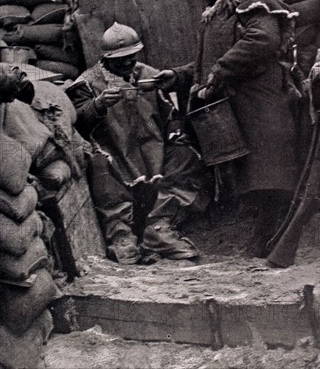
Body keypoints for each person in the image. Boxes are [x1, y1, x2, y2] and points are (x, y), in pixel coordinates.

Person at [155, 0, 299, 259]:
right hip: (241, 104)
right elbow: (210, 60)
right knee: (255, 173)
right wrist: (179, 75)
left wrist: (219, 71)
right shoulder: (220, 10)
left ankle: (272, 237)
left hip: (264, 102)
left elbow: (262, 39)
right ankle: (265, 235)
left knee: (270, 171)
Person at [66, 23, 211, 265]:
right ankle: (121, 235)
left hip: (153, 150)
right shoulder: (88, 83)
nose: (126, 63)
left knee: (186, 156)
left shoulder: (148, 75)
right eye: (119, 59)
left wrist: (176, 134)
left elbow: (170, 114)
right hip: (114, 150)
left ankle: (159, 228)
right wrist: (98, 105)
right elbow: (77, 122)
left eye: (130, 57)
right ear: (105, 58)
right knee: (101, 168)